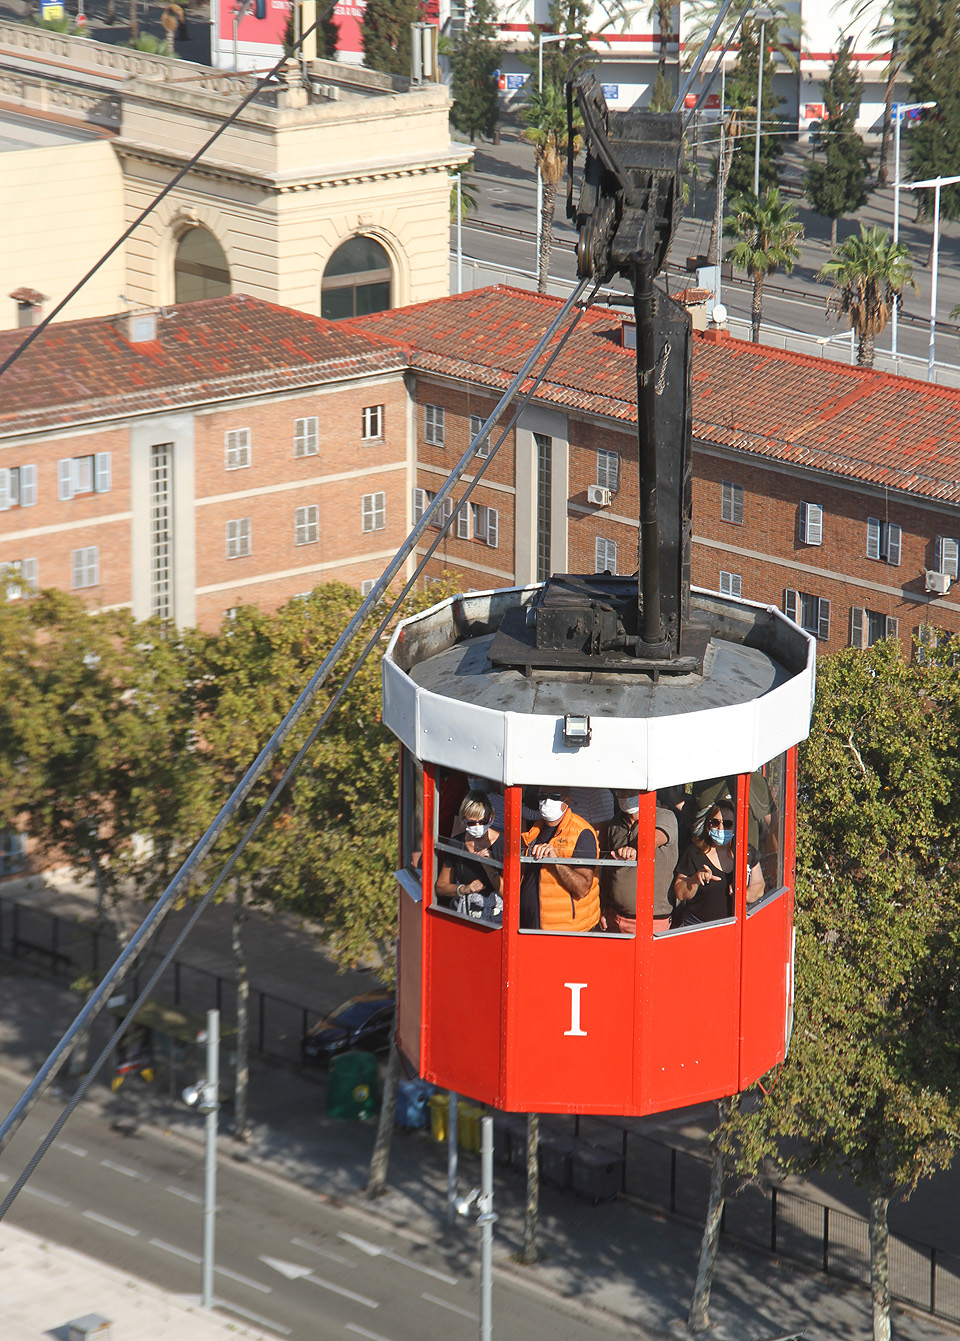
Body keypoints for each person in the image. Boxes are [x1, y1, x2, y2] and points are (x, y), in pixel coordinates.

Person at [672, 799, 764, 926]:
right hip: (697, 928)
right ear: (708, 825)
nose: (721, 828)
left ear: (736, 827)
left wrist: (743, 895)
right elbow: (680, 892)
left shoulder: (747, 853)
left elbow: (759, 886)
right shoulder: (695, 853)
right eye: (715, 822)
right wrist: (695, 879)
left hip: (734, 928)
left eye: (727, 824)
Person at [520, 790, 600, 931]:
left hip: (567, 930)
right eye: (543, 796)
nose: (547, 801)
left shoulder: (582, 832)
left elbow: (582, 888)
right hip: (530, 925)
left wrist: (556, 861)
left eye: (555, 797)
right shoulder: (535, 829)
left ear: (567, 801)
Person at [602, 790, 679, 934]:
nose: (625, 798)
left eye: (631, 793)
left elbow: (652, 840)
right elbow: (608, 870)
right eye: (621, 793)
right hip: (615, 917)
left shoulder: (664, 817)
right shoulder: (616, 822)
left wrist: (635, 849)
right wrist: (604, 907)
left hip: (651, 921)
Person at [435, 791, 503, 922]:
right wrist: (464, 889)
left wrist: (489, 867)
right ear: (463, 820)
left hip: (497, 917)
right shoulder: (457, 843)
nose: (478, 827)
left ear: (491, 817)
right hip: (467, 916)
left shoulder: (503, 844)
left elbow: (510, 894)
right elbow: (441, 886)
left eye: (482, 821)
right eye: (471, 823)